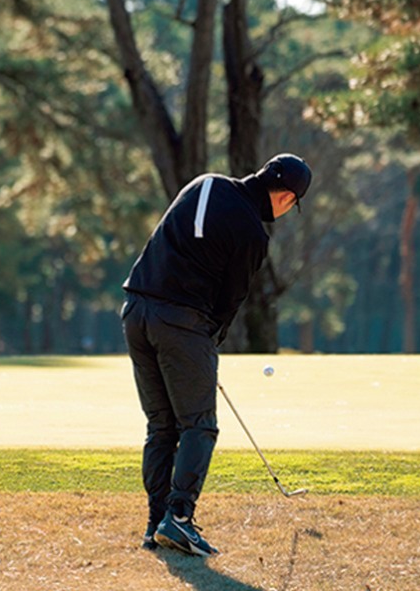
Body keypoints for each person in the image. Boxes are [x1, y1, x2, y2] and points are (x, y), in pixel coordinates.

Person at [121, 153, 312, 556]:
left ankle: (156, 523)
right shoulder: (254, 234)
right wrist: (206, 343)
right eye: (292, 204)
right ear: (286, 198)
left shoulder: (205, 182)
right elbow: (229, 302)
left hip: (136, 311)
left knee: (161, 426)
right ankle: (179, 517)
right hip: (181, 321)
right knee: (199, 425)